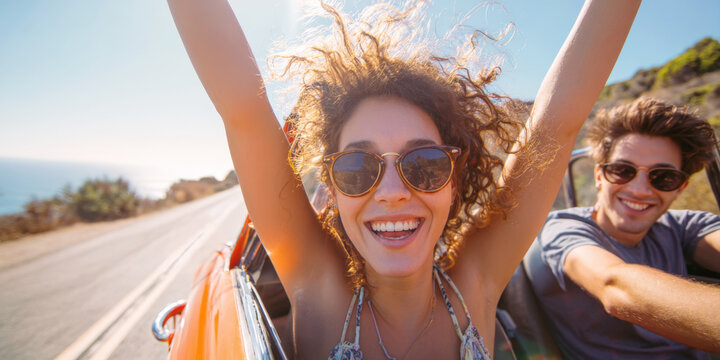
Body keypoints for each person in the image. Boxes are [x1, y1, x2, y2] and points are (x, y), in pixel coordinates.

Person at [167, 0, 640, 358]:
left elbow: (556, 121)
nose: (392, 193)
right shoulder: (316, 284)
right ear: (330, 189)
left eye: (425, 165)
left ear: (456, 181)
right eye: (357, 168)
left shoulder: (477, 279)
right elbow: (244, 110)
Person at [534, 98, 720, 359]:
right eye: (622, 170)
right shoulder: (566, 228)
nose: (640, 190)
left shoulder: (685, 226)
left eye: (663, 177)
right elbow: (615, 285)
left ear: (680, 187)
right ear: (600, 176)